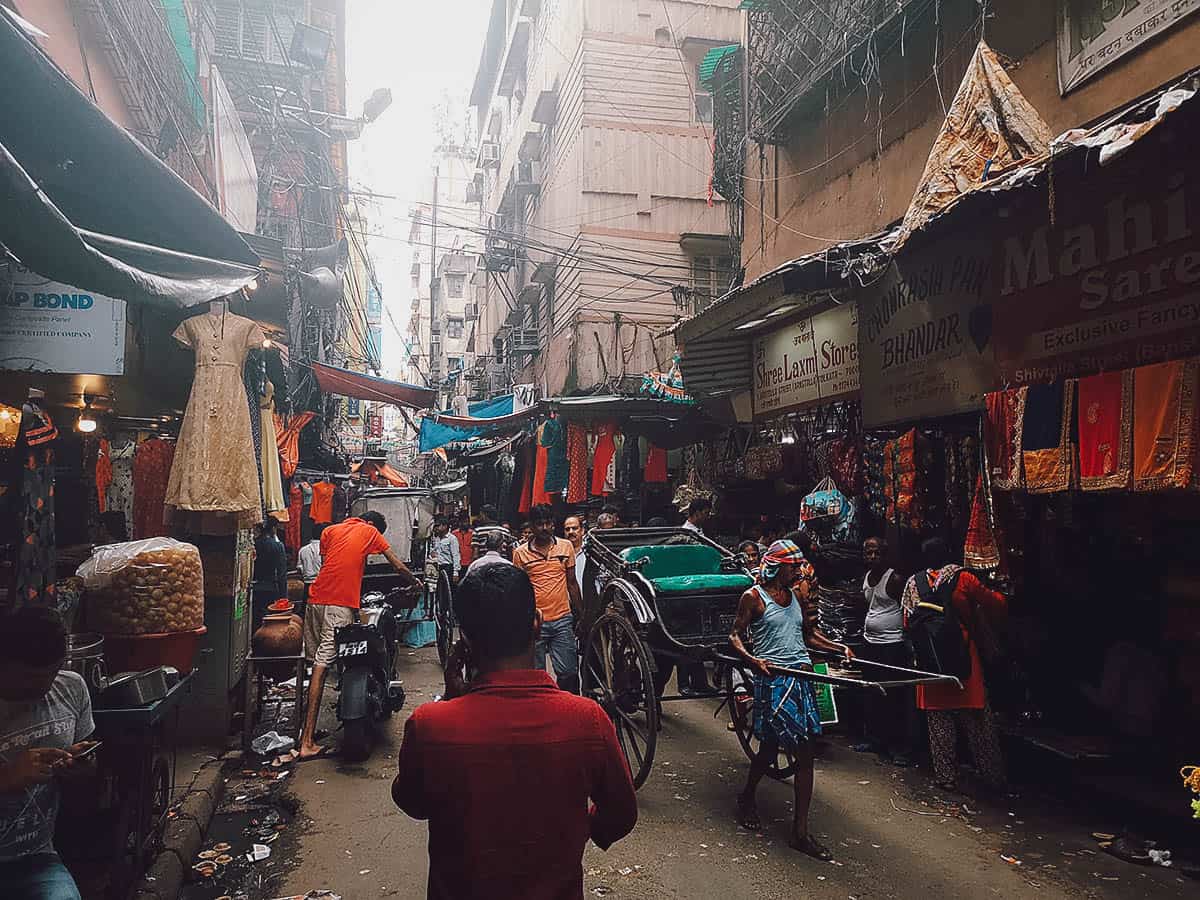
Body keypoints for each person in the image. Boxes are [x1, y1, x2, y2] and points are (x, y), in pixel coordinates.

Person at [393, 565, 637, 899]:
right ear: (537, 623)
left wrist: (451, 701)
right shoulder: (587, 720)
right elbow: (621, 814)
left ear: (464, 638)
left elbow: (413, 802)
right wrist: (581, 827)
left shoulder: (429, 725)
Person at [729, 539, 852, 860]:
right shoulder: (753, 598)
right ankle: (795, 830)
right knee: (795, 750)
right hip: (774, 680)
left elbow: (808, 634)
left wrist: (838, 648)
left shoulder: (797, 595)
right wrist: (753, 661)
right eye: (792, 566)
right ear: (776, 566)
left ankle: (777, 816)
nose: (798, 571)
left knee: (780, 748)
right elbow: (735, 635)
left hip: (801, 677)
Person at [299, 511, 420, 760]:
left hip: (314, 601)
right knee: (323, 666)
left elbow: (333, 564)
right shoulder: (370, 531)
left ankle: (304, 730)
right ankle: (306, 741)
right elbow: (397, 564)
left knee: (315, 667)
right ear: (374, 524)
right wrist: (415, 582)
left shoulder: (329, 531)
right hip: (338, 603)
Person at [0, 607, 99, 899]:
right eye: (29, 678)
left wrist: (82, 765)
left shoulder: (71, 688)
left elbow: (90, 768)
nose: (44, 686)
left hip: (36, 860)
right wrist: (6, 778)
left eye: (52, 673)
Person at [901, 537, 1007, 793]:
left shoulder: (913, 583)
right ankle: (991, 777)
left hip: (931, 662)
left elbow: (907, 623)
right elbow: (996, 604)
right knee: (978, 722)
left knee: (939, 724)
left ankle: (946, 776)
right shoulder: (964, 579)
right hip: (963, 659)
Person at [855, 536, 914, 766]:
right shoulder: (867, 578)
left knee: (894, 696)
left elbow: (908, 609)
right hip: (871, 642)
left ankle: (898, 747)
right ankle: (874, 739)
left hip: (892, 644)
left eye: (876, 553)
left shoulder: (895, 579)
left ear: (884, 554)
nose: (872, 557)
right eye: (868, 553)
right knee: (871, 692)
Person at [512, 505, 582, 693]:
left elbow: (572, 584)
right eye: (539, 524)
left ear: (553, 524)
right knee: (536, 677)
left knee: (568, 673)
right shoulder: (520, 553)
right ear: (532, 527)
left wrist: (581, 614)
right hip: (534, 622)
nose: (544, 528)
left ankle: (569, 712)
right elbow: (519, 589)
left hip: (562, 619)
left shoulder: (565, 547)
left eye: (548, 523)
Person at [252, 518, 288, 627]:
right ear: (273, 529)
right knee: (269, 621)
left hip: (255, 587)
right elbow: (282, 573)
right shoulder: (278, 546)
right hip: (271, 588)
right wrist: (283, 596)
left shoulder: (254, 544)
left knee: (256, 619)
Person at [297, 523, 326, 599]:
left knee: (306, 608)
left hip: (307, 585)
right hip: (321, 584)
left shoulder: (303, 550)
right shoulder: (326, 549)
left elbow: (299, 568)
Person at [430, 517, 461, 587]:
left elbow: (456, 555)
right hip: (436, 568)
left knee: (447, 591)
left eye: (438, 526)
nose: (436, 528)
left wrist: (455, 572)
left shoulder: (452, 539)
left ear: (445, 526)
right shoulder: (435, 539)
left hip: (447, 568)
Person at [563, 514, 586, 594]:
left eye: (574, 528)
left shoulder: (590, 552)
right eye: (567, 529)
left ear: (582, 530)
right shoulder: (560, 553)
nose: (571, 532)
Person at [451, 511, 474, 579]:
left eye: (467, 521)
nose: (466, 523)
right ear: (460, 522)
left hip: (470, 564)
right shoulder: (454, 534)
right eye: (464, 521)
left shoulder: (473, 533)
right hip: (457, 564)